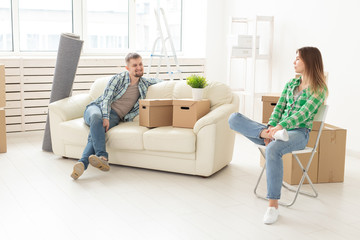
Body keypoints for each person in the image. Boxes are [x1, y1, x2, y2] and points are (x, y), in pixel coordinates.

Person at [228, 47, 328, 224]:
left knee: (273, 148)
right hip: (278, 130)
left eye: (298, 59)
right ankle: (267, 133)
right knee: (234, 118)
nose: (294, 62)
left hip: (298, 132)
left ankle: (273, 206)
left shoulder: (319, 89)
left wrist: (282, 126)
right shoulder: (291, 84)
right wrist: (272, 127)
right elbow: (279, 108)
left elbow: (303, 114)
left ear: (309, 61)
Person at [71, 53, 162, 180]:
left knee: (96, 133)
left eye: (140, 64)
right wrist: (106, 116)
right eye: (134, 65)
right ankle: (102, 157)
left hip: (115, 116)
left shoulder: (144, 83)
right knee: (97, 119)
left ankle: (82, 163)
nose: (139, 67)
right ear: (127, 68)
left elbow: (162, 82)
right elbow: (106, 99)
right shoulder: (118, 79)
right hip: (97, 108)